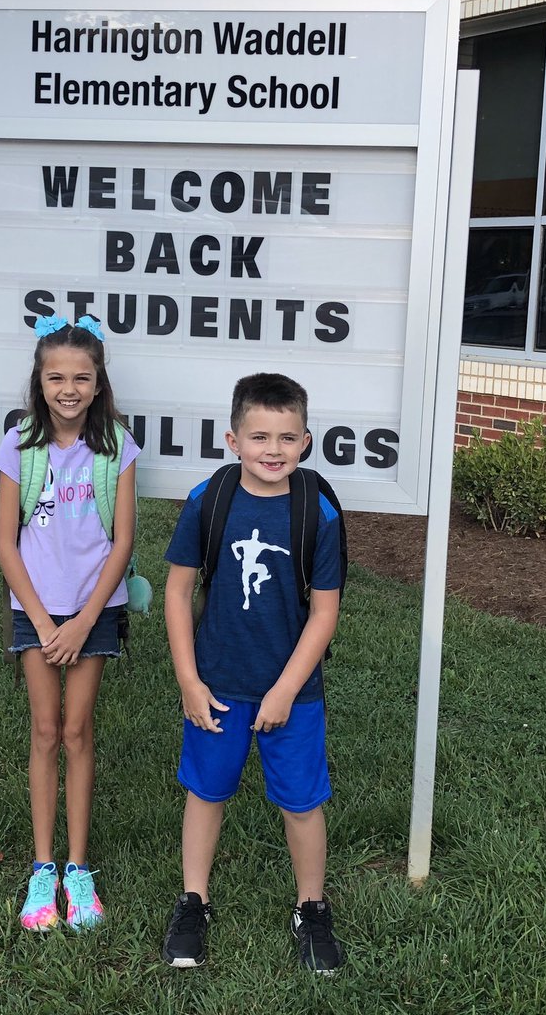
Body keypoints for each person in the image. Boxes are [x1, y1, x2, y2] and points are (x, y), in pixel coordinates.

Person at [161, 373, 343, 973]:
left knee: (301, 803)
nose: (273, 449)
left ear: (306, 441)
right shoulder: (207, 502)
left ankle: (311, 908)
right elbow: (179, 590)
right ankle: (194, 902)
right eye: (259, 436)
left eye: (287, 438)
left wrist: (287, 689)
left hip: (293, 691)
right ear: (232, 439)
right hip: (217, 683)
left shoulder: (315, 511)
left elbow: (324, 611)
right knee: (206, 792)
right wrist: (189, 680)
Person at [0, 313, 139, 933]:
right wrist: (40, 618)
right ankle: (42, 867)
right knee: (45, 731)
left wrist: (82, 623)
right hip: (34, 609)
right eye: (57, 377)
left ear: (100, 383)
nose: (69, 388)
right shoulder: (18, 446)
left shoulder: (117, 448)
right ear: (40, 380)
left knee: (79, 733)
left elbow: (123, 542)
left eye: (82, 377)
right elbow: (6, 542)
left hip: (93, 610)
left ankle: (78, 871)